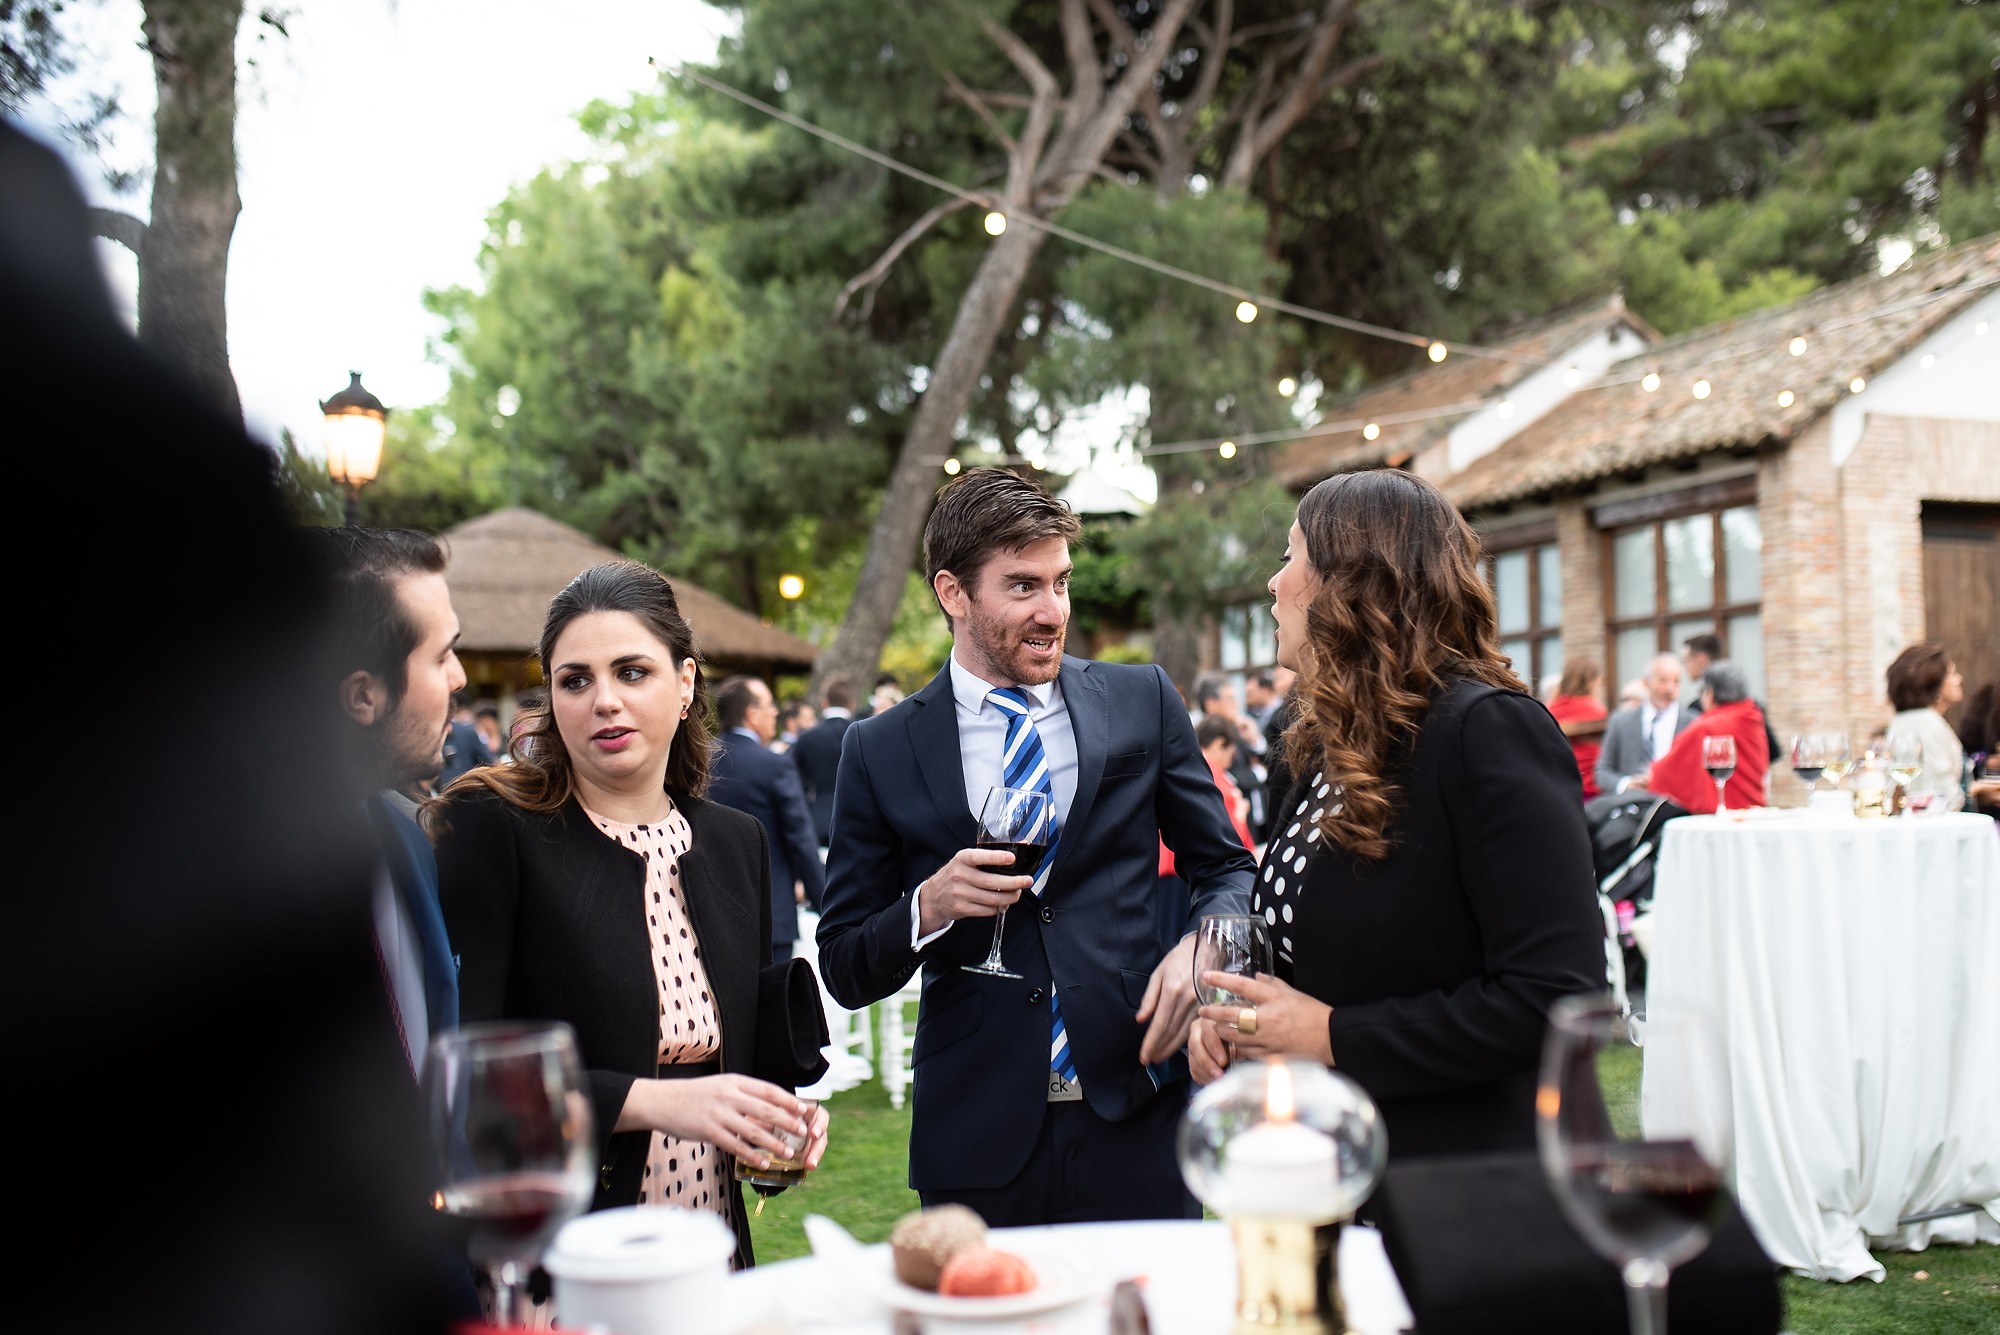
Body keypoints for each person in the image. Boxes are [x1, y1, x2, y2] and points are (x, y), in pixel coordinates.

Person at [10, 118, 455, 1334]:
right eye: (444, 653)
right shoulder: (161, 864)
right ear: (360, 692)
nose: (464, 682)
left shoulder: (403, 841)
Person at [816, 468, 1256, 1225]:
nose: (1054, 611)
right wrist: (928, 904)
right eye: (1023, 586)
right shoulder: (879, 748)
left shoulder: (1141, 699)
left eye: (1061, 582)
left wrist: (1204, 946)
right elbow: (845, 963)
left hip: (1139, 1106)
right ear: (953, 593)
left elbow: (1227, 868)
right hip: (977, 1127)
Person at [1189, 469, 1603, 1160]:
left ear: (1350, 581)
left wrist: (1329, 1034)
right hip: (1326, 1157)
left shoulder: (1487, 730)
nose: (1273, 582)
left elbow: (1558, 999)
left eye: (1290, 556)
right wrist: (1251, 1022)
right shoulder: (1324, 738)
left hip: (1456, 1179)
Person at [427, 562, 828, 1269]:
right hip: (567, 1256)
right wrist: (653, 1102)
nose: (603, 700)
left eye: (632, 672)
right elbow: (472, 1078)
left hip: (710, 1246)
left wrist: (780, 1118)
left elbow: (746, 1053)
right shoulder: (496, 828)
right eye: (575, 679)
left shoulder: (737, 841)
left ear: (686, 684)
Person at [711, 675, 828, 964]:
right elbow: (800, 838)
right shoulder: (773, 766)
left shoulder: (700, 762)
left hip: (709, 916)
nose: (775, 712)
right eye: (769, 706)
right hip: (770, 915)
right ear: (751, 714)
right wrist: (826, 902)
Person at [1637, 661, 1769, 813]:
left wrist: (1648, 778)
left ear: (1710, 694)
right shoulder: (1753, 716)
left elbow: (1666, 772)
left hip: (1724, 812)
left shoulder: (1706, 727)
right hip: (1755, 809)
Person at [1595, 655, 1693, 796]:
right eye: (1662, 681)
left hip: (1678, 804)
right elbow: (1602, 771)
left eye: (1676, 682)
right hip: (1632, 806)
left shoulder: (1693, 723)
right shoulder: (1621, 721)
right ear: (1646, 682)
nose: (1669, 689)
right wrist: (1627, 784)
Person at [1884, 643, 1966, 800]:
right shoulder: (1925, 724)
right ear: (1935, 682)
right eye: (1953, 673)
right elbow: (1937, 791)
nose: (1959, 679)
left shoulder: (1911, 719)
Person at [1683, 632, 1781, 763]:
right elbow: (1772, 752)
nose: (1684, 667)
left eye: (1685, 661)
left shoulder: (1697, 711)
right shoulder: (1752, 708)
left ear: (1701, 659)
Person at [1195, 673, 1268, 838]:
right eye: (1229, 699)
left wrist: (1255, 740)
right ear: (1211, 704)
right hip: (1233, 821)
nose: (1235, 704)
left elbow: (1268, 762)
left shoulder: (1236, 729)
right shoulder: (1207, 736)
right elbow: (1226, 775)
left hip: (1255, 818)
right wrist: (1258, 774)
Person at [792, 676, 856, 848]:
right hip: (857, 822)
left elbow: (794, 782)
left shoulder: (806, 738)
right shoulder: (864, 734)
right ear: (851, 703)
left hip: (817, 821)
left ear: (825, 702)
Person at [1546, 658, 1610, 801]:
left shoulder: (1551, 709)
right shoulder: (1595, 709)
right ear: (1590, 680)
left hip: (1560, 787)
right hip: (1591, 789)